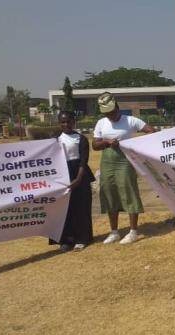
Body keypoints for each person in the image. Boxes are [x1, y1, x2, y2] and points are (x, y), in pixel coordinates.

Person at [92, 92, 155, 245]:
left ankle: (133, 231)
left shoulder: (131, 120)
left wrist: (136, 145)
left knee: (129, 193)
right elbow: (95, 145)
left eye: (111, 112)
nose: (110, 115)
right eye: (107, 113)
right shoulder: (101, 123)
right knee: (109, 193)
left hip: (125, 163)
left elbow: (151, 131)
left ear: (117, 108)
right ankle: (114, 232)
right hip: (107, 163)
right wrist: (107, 142)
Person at [51, 111, 94, 251]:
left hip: (79, 174)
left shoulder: (81, 139)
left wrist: (78, 179)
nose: (66, 124)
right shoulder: (55, 140)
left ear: (74, 122)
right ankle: (67, 240)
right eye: (63, 122)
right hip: (62, 175)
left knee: (81, 207)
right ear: (59, 123)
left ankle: (83, 238)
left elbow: (83, 161)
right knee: (65, 209)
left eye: (68, 121)